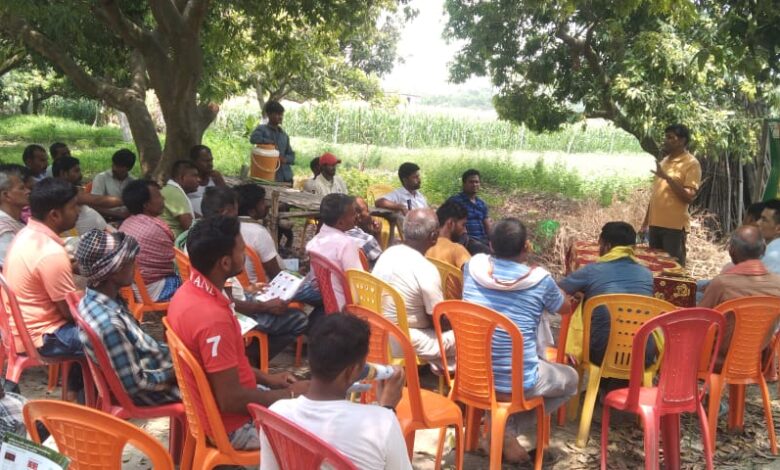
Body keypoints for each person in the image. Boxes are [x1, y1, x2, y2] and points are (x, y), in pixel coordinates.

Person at [167, 215, 308, 450]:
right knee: (321, 426)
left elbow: (225, 370)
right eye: (241, 250)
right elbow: (231, 400)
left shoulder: (186, 293)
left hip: (222, 407)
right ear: (224, 263)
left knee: (310, 401)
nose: (244, 255)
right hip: (233, 426)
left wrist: (268, 379)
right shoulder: (213, 319)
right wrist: (290, 395)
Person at [463, 218, 578, 463]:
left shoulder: (472, 267)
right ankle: (505, 433)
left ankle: (499, 431)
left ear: (491, 245)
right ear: (526, 246)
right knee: (571, 379)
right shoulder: (541, 280)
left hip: (471, 376)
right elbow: (565, 308)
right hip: (516, 384)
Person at [260, 313, 411, 470]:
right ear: (352, 371)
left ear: (310, 360)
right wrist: (387, 408)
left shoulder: (277, 413)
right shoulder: (382, 423)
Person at [176, 186, 308, 363]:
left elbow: (226, 294)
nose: (245, 256)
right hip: (239, 312)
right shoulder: (221, 245)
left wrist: (248, 289)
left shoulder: (197, 235)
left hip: (237, 300)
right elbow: (231, 304)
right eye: (241, 251)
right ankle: (249, 358)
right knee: (298, 319)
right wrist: (265, 307)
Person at [76, 229, 180, 405]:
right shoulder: (109, 324)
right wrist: (176, 373)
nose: (136, 266)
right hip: (153, 390)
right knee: (216, 388)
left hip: (156, 363)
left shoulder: (98, 298)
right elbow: (137, 384)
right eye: (131, 262)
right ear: (115, 270)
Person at [3, 178, 83, 393]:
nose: (78, 212)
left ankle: (80, 394)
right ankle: (101, 399)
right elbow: (71, 314)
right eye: (73, 207)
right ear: (54, 215)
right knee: (109, 333)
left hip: (22, 329)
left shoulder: (26, 234)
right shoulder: (50, 252)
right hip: (44, 337)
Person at [558, 222, 654, 365]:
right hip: (644, 356)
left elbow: (556, 291)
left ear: (607, 246)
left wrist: (583, 293)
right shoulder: (647, 274)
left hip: (601, 354)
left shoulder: (592, 271)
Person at [372, 208, 455, 366]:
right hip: (406, 340)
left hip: (378, 333)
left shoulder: (388, 253)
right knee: (468, 337)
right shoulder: (426, 269)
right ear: (434, 236)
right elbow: (438, 321)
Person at [699, 225, 780, 369]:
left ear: (731, 251)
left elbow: (700, 321)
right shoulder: (777, 284)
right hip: (754, 360)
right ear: (763, 250)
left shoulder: (722, 284)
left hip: (717, 361)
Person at [640, 124, 701, 266]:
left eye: (670, 137)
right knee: (655, 267)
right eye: (666, 137)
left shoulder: (692, 164)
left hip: (674, 228)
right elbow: (656, 194)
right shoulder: (664, 161)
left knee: (673, 269)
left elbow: (689, 197)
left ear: (682, 141)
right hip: (654, 226)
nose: (665, 140)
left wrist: (667, 178)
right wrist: (645, 223)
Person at [119, 179, 181, 302]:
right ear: (146, 205)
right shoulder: (155, 228)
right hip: (152, 291)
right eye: (158, 196)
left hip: (132, 289)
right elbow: (175, 262)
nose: (163, 198)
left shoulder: (127, 223)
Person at [306, 193, 363, 310]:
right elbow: (359, 284)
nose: (357, 216)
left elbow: (314, 282)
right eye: (353, 214)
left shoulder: (313, 243)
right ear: (341, 223)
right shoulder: (346, 244)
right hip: (348, 307)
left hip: (329, 304)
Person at [235, 184, 284, 283]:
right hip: (261, 287)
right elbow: (275, 274)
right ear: (252, 211)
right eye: (262, 202)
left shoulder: (227, 227)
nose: (266, 205)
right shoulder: (258, 232)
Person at [51, 156, 109, 236]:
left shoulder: (71, 189)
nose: (80, 174)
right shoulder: (60, 191)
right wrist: (123, 200)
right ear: (63, 173)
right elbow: (97, 200)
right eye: (76, 171)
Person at [250, 100, 295, 183]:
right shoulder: (262, 129)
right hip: (267, 175)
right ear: (269, 115)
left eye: (281, 114)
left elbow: (291, 155)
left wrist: (285, 159)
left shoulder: (284, 135)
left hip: (286, 177)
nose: (280, 117)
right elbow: (253, 139)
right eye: (277, 114)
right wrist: (270, 142)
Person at [449, 169, 491, 254]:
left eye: (477, 182)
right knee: (487, 252)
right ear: (464, 184)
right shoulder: (455, 201)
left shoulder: (481, 203)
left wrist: (494, 239)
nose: (474, 185)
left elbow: (487, 225)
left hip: (483, 240)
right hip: (467, 240)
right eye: (471, 182)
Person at [90, 149, 136, 219]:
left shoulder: (133, 181)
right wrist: (118, 215)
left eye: (119, 167)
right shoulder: (101, 178)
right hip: (105, 218)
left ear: (129, 168)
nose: (114, 168)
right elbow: (93, 204)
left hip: (128, 218)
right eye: (114, 164)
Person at [426, 199, 471, 270]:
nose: (465, 230)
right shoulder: (457, 250)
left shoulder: (423, 247)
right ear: (451, 223)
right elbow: (474, 273)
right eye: (463, 225)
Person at [0, 165, 30, 267]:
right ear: (6, 195)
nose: (28, 191)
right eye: (22, 188)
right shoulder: (4, 231)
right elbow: (12, 266)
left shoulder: (16, 221)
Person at [160, 160, 199, 237]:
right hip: (175, 241)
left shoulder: (172, 189)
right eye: (195, 176)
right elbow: (189, 226)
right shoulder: (174, 192)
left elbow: (193, 215)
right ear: (181, 177)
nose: (198, 179)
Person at [188, 145, 226, 217]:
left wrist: (220, 182)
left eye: (211, 160)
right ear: (194, 161)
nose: (210, 164)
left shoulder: (215, 177)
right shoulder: (188, 179)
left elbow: (228, 199)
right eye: (205, 161)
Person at [346, 196, 383, 268]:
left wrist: (375, 233)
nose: (370, 214)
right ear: (358, 217)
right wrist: (378, 235)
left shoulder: (335, 234)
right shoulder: (367, 240)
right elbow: (382, 264)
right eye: (367, 211)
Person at [758, 199, 780, 274]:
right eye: (760, 218)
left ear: (778, 229)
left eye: (764, 220)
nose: (758, 223)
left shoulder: (772, 256)